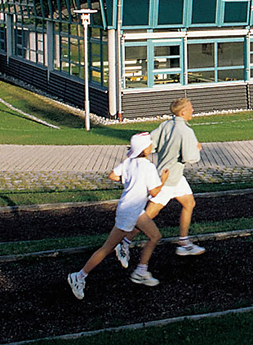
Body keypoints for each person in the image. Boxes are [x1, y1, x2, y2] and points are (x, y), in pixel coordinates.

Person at [67, 132, 163, 300]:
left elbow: (112, 175)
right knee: (107, 248)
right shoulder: (149, 167)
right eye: (150, 144)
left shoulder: (128, 162)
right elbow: (154, 192)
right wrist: (164, 179)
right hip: (129, 212)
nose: (151, 146)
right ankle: (79, 276)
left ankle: (141, 270)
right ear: (145, 149)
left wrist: (129, 182)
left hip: (132, 208)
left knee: (155, 236)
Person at [115, 97, 205, 264]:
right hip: (167, 180)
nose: (193, 110)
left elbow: (151, 144)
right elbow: (191, 157)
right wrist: (196, 148)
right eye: (191, 108)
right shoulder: (186, 132)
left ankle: (184, 242)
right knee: (149, 215)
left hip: (175, 177)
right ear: (183, 112)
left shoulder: (165, 125)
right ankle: (124, 242)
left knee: (189, 203)